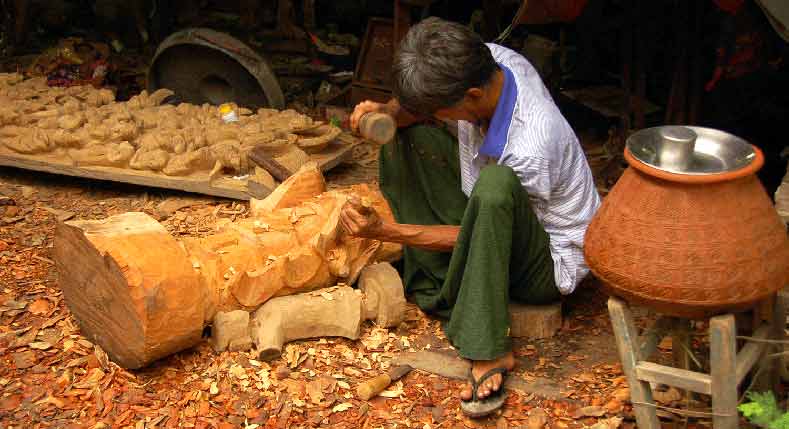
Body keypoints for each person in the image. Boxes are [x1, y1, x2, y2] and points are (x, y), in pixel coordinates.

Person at [340, 17, 600, 417]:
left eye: (441, 109)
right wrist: (384, 113)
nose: (436, 114)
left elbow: (490, 235)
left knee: (496, 185)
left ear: (472, 95)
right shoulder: (490, 60)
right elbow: (413, 112)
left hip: (545, 257)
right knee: (407, 133)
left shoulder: (531, 144)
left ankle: (488, 349)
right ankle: (446, 272)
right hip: (493, 211)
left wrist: (389, 232)